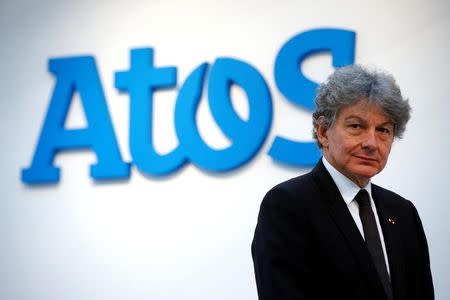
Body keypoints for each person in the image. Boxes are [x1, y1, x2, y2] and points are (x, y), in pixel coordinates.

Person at [251, 65, 434, 300]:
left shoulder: (402, 211)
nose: (371, 142)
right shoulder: (287, 205)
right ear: (323, 132)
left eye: (383, 130)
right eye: (357, 126)